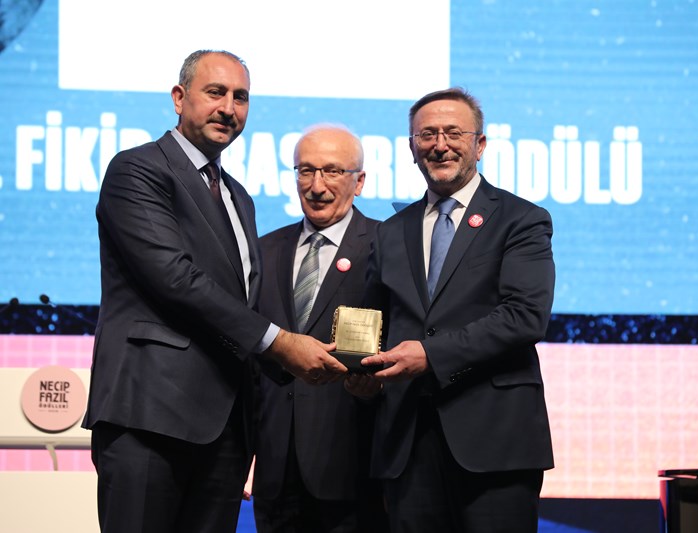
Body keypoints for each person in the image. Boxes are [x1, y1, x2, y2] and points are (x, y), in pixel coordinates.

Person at [82, 50, 346, 533]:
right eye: (215, 92)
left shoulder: (238, 196)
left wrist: (312, 366)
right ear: (179, 98)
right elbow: (175, 278)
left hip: (225, 429)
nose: (228, 108)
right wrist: (282, 344)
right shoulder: (137, 170)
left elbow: (240, 303)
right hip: (149, 415)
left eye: (240, 97)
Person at [361, 87, 556, 533]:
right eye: (427, 134)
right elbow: (376, 323)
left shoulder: (521, 219)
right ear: (412, 147)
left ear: (480, 144)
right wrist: (359, 371)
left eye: (453, 133)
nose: (440, 144)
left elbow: (526, 316)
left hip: (496, 440)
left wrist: (430, 355)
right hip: (407, 443)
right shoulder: (390, 232)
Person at [252, 124, 387, 533]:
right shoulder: (264, 250)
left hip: (354, 469)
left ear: (359, 182)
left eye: (332, 171)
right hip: (275, 473)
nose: (316, 186)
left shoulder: (388, 246)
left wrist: (376, 386)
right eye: (306, 171)